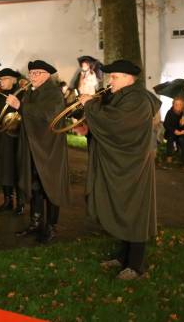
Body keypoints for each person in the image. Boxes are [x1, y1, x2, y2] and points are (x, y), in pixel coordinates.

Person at [74, 59, 161, 281]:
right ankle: (124, 258)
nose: (110, 80)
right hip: (121, 163)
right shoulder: (120, 97)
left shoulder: (138, 100)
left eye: (114, 77)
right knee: (125, 209)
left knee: (136, 211)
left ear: (128, 78)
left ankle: (137, 265)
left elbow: (117, 124)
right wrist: (89, 129)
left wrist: (89, 106)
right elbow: (107, 126)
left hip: (133, 165)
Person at [7, 60, 72, 244]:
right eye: (31, 73)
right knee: (35, 186)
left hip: (49, 148)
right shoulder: (31, 92)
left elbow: (47, 115)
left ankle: (51, 227)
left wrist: (21, 106)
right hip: (35, 146)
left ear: (46, 75)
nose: (32, 76)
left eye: (37, 73)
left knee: (50, 187)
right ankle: (36, 223)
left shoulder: (53, 93)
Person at [0, 68, 24, 215]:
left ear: (13, 80)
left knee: (17, 170)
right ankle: (8, 201)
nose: (2, 82)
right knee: (4, 170)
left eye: (5, 79)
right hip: (2, 139)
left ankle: (20, 203)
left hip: (16, 139)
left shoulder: (20, 94)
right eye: (0, 79)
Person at [162, 97, 184, 164]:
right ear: (173, 104)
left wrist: (183, 126)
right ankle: (169, 157)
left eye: (180, 104)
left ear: (183, 105)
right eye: (176, 104)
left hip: (182, 134)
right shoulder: (170, 112)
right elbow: (166, 124)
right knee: (170, 138)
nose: (178, 106)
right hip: (172, 132)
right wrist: (174, 131)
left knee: (182, 139)